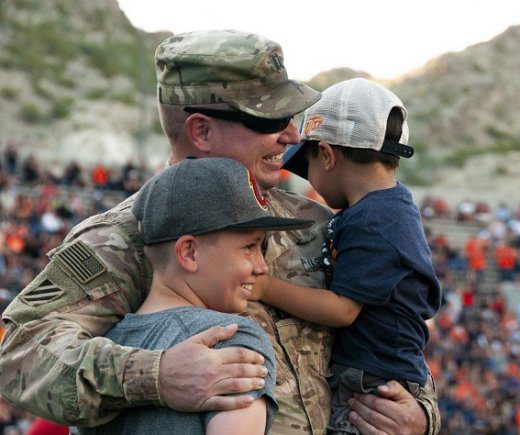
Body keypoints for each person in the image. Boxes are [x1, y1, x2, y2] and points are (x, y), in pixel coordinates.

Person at [0, 30, 439, 434]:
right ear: (201, 130)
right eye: (269, 120)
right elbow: (19, 355)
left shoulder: (316, 224)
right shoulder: (125, 237)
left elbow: (393, 335)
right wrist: (156, 375)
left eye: (291, 117)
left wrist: (419, 414)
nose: (290, 135)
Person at [252, 78, 441, 434]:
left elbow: (342, 310)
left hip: (371, 386)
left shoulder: (373, 220)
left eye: (307, 166)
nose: (309, 180)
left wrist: (264, 288)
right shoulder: (387, 208)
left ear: (326, 155)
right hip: (377, 375)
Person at [82, 157, 315, 434]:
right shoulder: (230, 339)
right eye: (249, 247)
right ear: (189, 253)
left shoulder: (102, 352)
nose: (261, 266)